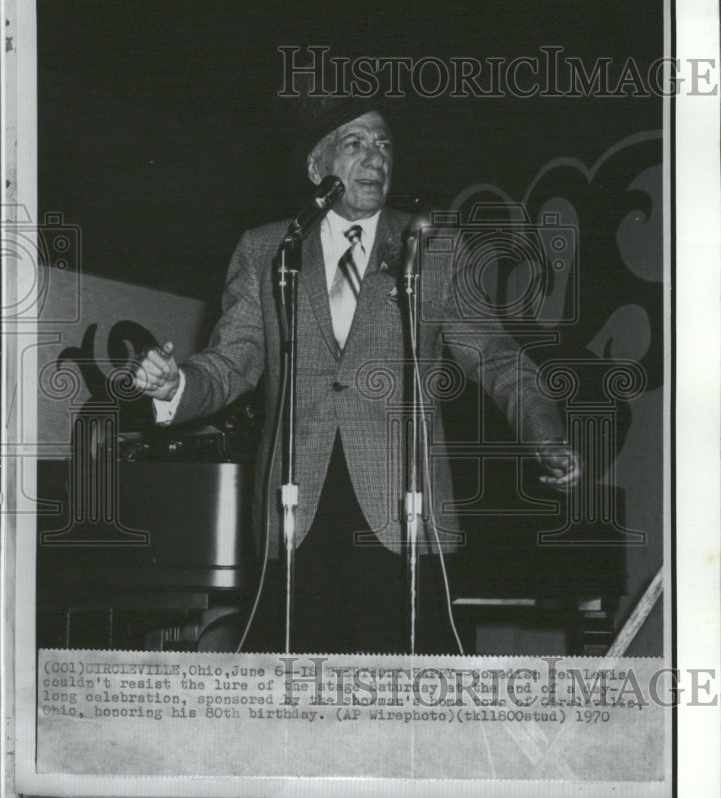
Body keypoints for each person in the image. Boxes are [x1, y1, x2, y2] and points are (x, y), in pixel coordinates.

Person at [134, 100, 581, 653]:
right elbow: (233, 360)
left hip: (403, 510)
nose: (375, 158)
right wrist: (175, 386)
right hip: (297, 510)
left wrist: (546, 434)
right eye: (355, 144)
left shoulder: (432, 248)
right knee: (303, 708)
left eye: (384, 145)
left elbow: (496, 356)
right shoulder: (269, 249)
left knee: (406, 706)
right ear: (316, 167)